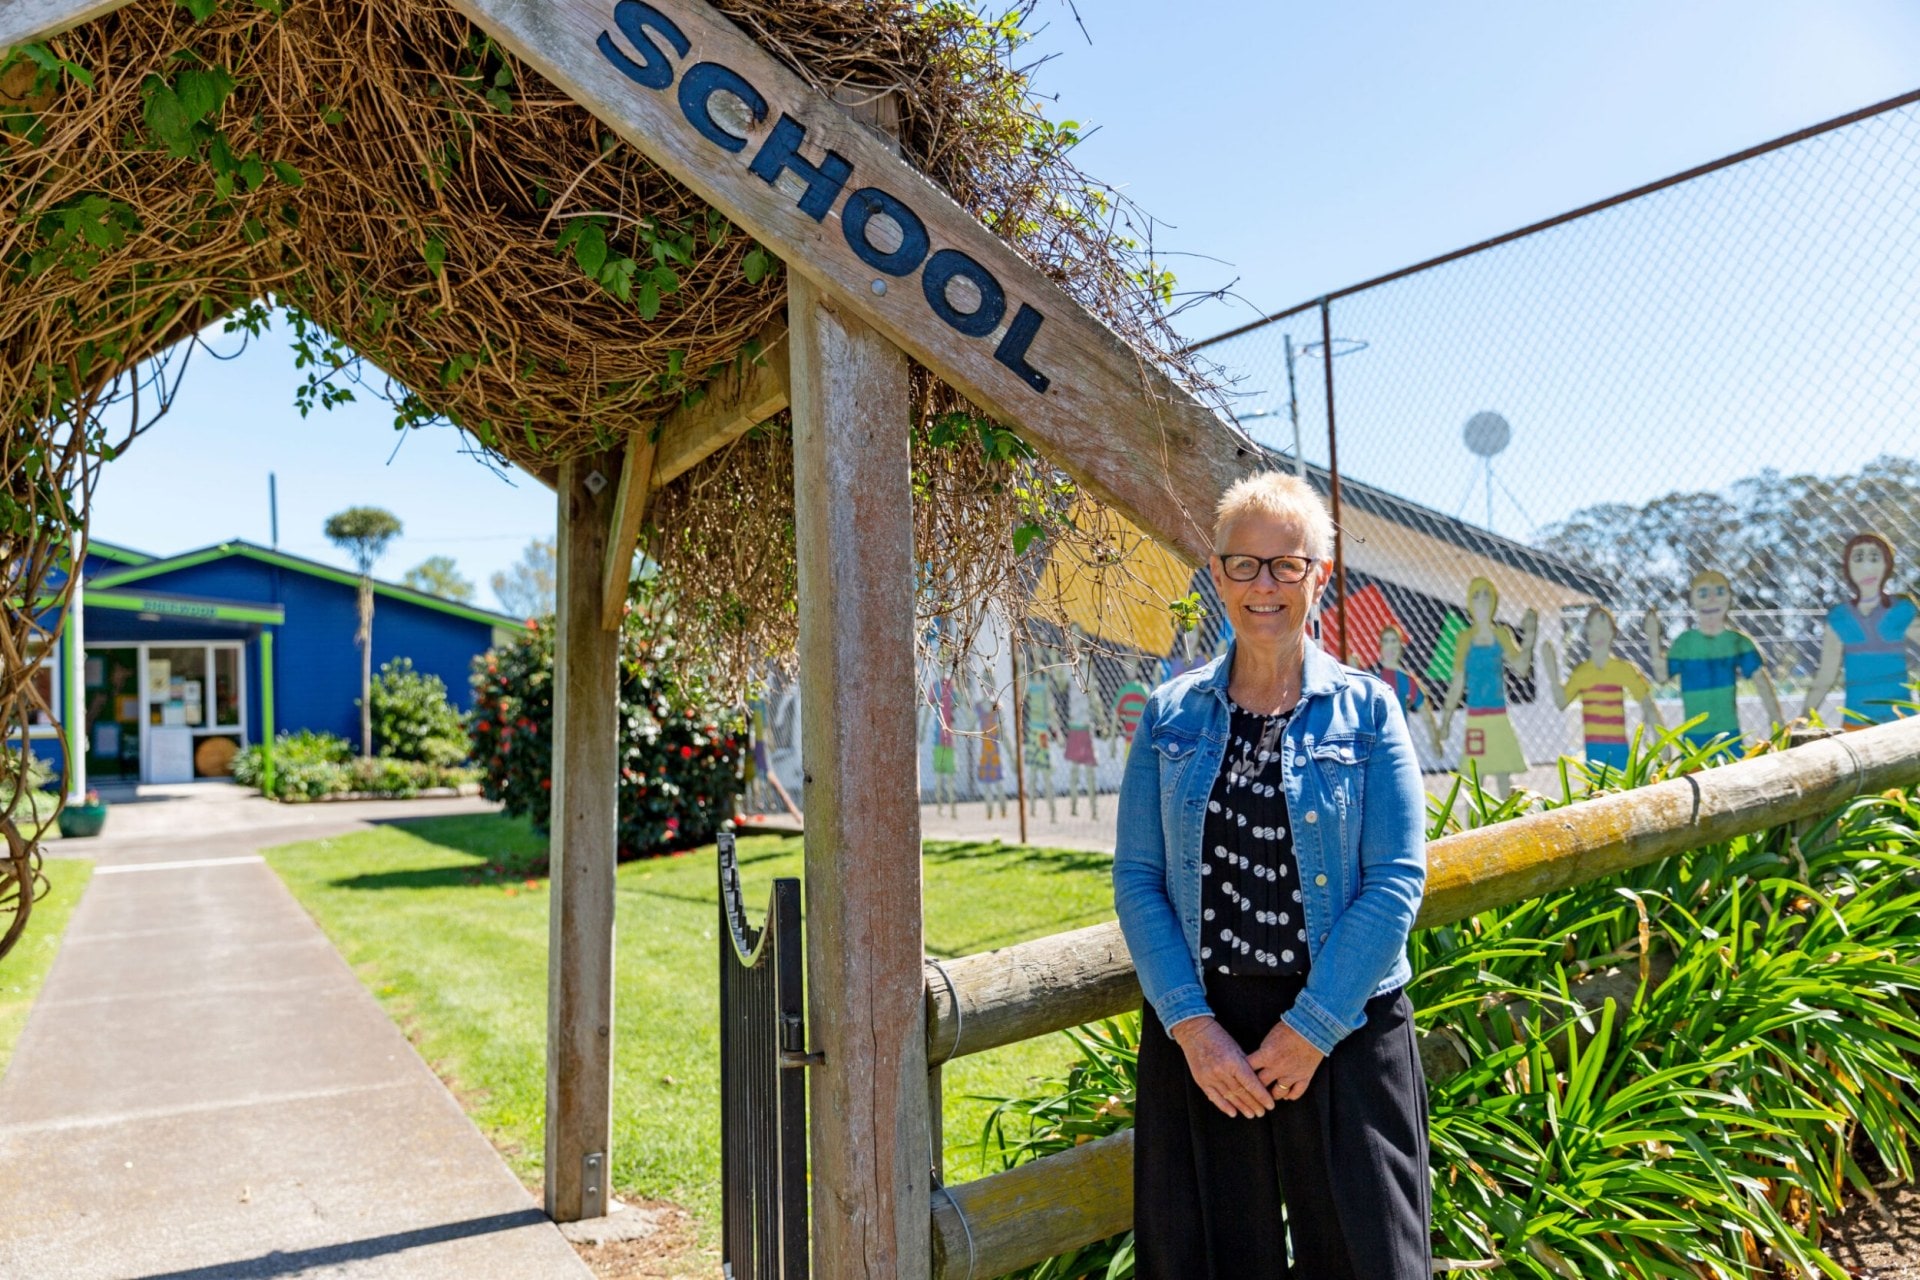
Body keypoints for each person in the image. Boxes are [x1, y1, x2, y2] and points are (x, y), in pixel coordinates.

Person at [1114, 471, 1431, 1280]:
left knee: (1374, 1258)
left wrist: (1312, 1028)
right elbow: (1139, 879)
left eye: (1287, 566)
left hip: (1347, 1022)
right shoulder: (1169, 714)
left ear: (1318, 578)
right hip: (1205, 1036)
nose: (1265, 585)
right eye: (1245, 565)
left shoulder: (1369, 710)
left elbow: (1394, 878)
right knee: (1209, 1260)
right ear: (1216, 576)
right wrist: (1192, 1027)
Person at [1644, 569, 1782, 750]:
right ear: (1693, 599)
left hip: (1729, 734)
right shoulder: (1685, 643)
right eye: (1703, 593)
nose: (1711, 599)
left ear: (1729, 598)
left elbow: (1762, 682)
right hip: (1694, 737)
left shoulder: (1737, 642)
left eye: (1719, 592)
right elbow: (1662, 677)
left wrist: (1777, 723)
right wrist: (1653, 639)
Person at [1800, 532, 1919, 727]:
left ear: (1886, 564)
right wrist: (1803, 718)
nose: (1866, 568)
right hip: (1856, 723)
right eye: (1858, 559)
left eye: (1874, 558)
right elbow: (1826, 674)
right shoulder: (1839, 617)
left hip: (1902, 722)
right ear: (1848, 567)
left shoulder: (1903, 610)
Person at [1434, 576, 1537, 795]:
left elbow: (1520, 667)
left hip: (1499, 716)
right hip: (1477, 719)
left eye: (1486, 595)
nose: (1481, 601)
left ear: (1494, 601)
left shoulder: (1502, 634)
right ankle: (1475, 827)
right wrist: (1446, 721)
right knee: (1474, 779)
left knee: (1503, 777)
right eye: (1476, 595)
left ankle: (1509, 825)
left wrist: (1529, 637)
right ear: (1470, 602)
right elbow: (1458, 682)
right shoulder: (1464, 638)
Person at [1540, 605, 1661, 772]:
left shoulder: (1623, 670)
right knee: (1596, 789)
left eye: (1603, 626)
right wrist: (1552, 673)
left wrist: (1661, 742)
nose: (1598, 632)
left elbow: (1648, 705)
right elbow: (1562, 702)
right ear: (1587, 633)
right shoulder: (1582, 673)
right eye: (1592, 627)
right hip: (1594, 749)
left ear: (1613, 632)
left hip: (1618, 746)